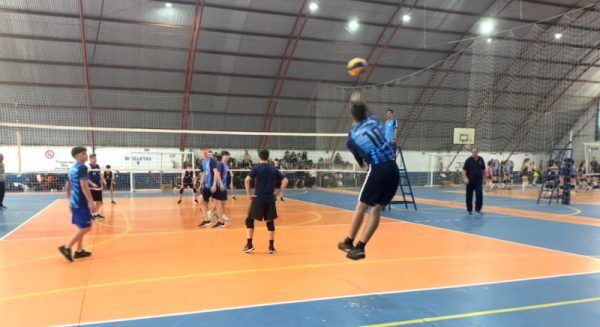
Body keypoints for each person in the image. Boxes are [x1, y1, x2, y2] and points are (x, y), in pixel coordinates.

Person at [337, 103, 399, 261]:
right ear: (365, 113)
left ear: (352, 117)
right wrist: (360, 105)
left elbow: (361, 161)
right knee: (376, 210)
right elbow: (368, 113)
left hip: (377, 168)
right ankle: (360, 247)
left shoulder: (352, 137)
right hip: (393, 168)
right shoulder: (374, 121)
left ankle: (349, 241)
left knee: (361, 207)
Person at [243, 149, 288, 254]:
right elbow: (285, 181)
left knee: (249, 220)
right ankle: (271, 247)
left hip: (258, 198)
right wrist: (278, 195)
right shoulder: (273, 169)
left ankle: (249, 244)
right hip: (270, 199)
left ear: (259, 157)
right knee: (270, 221)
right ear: (268, 157)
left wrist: (249, 194)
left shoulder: (256, 168)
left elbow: (246, 180)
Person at [58, 147, 97, 262]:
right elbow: (84, 186)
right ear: (77, 155)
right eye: (83, 153)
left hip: (74, 201)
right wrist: (91, 202)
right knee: (87, 227)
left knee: (81, 226)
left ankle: (79, 251)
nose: (86, 155)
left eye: (86, 153)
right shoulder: (82, 168)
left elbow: (67, 187)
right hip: (81, 202)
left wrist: (69, 201)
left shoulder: (72, 169)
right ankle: (67, 247)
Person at [198, 148, 225, 228]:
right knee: (201, 200)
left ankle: (221, 222)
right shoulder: (202, 162)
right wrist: (201, 184)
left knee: (217, 202)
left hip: (213, 185)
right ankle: (206, 220)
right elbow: (203, 174)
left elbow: (216, 172)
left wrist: (214, 184)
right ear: (201, 153)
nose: (205, 152)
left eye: (206, 150)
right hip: (207, 185)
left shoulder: (212, 160)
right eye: (203, 151)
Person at [462, 147, 485, 215]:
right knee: (469, 196)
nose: (474, 153)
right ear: (471, 152)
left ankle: (478, 209)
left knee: (479, 195)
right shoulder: (468, 160)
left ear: (478, 152)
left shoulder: (481, 159)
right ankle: (469, 210)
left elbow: (483, 170)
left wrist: (484, 178)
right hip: (470, 182)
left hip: (479, 181)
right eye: (473, 152)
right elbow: (464, 170)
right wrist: (465, 178)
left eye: (475, 152)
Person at [88, 154, 105, 219]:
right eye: (93, 158)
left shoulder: (98, 166)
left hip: (98, 186)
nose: (95, 159)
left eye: (95, 158)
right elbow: (85, 177)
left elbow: (99, 175)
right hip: (91, 187)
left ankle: (96, 213)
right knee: (91, 202)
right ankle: (90, 214)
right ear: (90, 159)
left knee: (98, 201)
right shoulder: (88, 166)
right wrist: (92, 183)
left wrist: (103, 181)